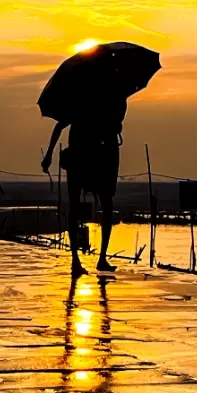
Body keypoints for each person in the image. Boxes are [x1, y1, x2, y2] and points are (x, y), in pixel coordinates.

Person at [41, 79, 126, 278]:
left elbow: (59, 127)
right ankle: (85, 260)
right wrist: (49, 154)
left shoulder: (93, 101)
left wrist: (49, 154)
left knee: (97, 205)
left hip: (89, 158)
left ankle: (84, 260)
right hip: (87, 159)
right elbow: (60, 127)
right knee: (93, 206)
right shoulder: (98, 100)